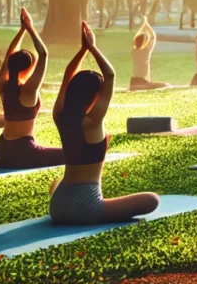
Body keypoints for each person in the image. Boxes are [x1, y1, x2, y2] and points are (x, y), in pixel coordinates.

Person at [49, 23, 160, 225]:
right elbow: (110, 76)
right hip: (86, 206)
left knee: (57, 184)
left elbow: (67, 76)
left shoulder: (60, 115)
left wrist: (83, 50)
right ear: (95, 96)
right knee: (152, 200)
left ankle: (67, 203)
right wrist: (92, 48)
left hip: (57, 206)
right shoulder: (91, 122)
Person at [0, 8, 63, 168]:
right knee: (74, 155)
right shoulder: (28, 91)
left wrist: (21, 31)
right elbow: (43, 54)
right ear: (27, 69)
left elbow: (8, 56)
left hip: (2, 151)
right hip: (22, 152)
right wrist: (30, 28)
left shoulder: (2, 86)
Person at [129, 16, 168, 90]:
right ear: (144, 41)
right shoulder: (145, 51)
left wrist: (142, 27)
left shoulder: (133, 52)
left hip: (133, 81)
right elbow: (153, 37)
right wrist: (146, 23)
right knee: (166, 85)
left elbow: (135, 39)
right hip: (143, 81)